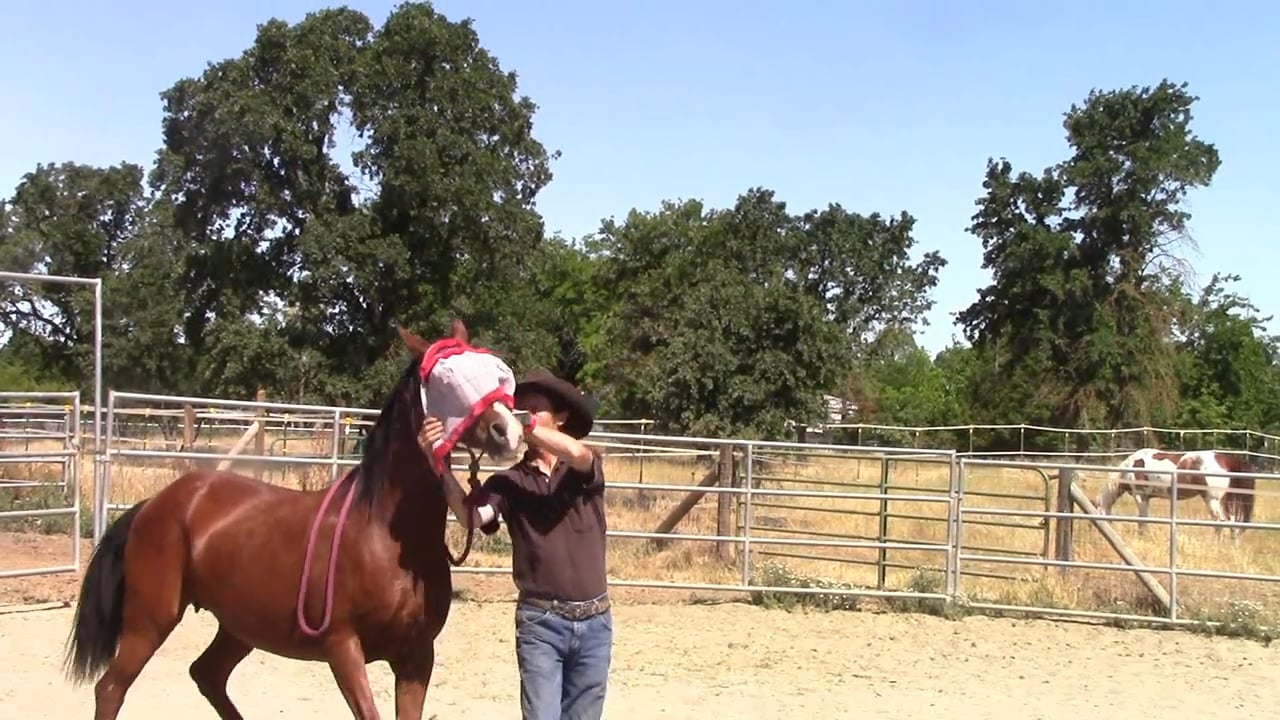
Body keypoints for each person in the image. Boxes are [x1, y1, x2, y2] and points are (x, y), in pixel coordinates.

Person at [420, 368, 610, 720]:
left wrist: (527, 426)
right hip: (541, 621)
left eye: (535, 410)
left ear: (561, 417)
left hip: (596, 621)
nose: (525, 419)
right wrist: (439, 464)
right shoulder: (507, 484)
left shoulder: (583, 467)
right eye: (520, 412)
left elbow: (578, 454)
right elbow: (471, 517)